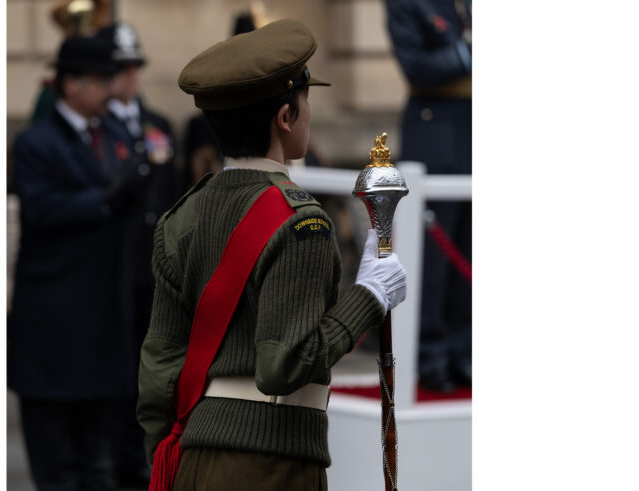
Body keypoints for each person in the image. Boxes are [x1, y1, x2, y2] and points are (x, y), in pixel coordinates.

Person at [136, 19, 408, 490]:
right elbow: (283, 365)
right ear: (285, 118)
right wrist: (368, 296)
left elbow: (159, 367)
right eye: (305, 102)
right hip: (269, 466)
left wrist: (173, 456)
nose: (309, 114)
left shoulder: (180, 216)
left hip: (190, 457)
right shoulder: (303, 222)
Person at [8, 35, 149, 491]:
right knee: (59, 469)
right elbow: (42, 208)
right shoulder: (35, 142)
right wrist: (104, 197)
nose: (112, 88)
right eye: (101, 79)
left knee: (101, 468)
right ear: (71, 84)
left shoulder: (115, 134)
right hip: (54, 335)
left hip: (104, 333)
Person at [94, 21, 180, 487]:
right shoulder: (99, 129)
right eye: (119, 69)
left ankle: (150, 452)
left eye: (133, 68)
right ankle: (120, 455)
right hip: (117, 265)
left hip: (155, 265)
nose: (128, 77)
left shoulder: (158, 126)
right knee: (119, 367)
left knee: (157, 363)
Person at [386, 0, 472, 392]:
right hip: (435, 125)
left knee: (470, 249)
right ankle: (431, 355)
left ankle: (465, 352)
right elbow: (416, 65)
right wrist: (465, 53)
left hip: (471, 124)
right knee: (434, 258)